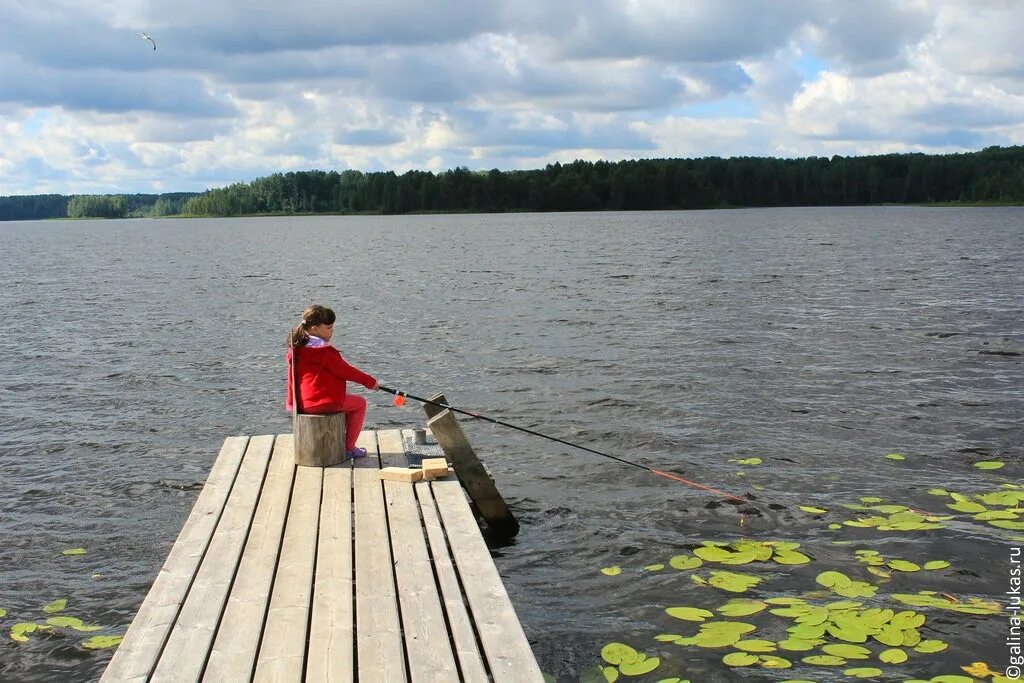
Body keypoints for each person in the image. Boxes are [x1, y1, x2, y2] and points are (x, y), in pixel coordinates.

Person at [286, 304, 379, 458]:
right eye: (328, 328)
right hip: (322, 403)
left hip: (302, 403)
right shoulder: (323, 351)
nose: (332, 331)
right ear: (315, 329)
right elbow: (347, 371)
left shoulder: (297, 349)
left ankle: (341, 442)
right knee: (360, 403)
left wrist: (291, 403)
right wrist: (370, 382)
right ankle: (349, 448)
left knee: (346, 402)